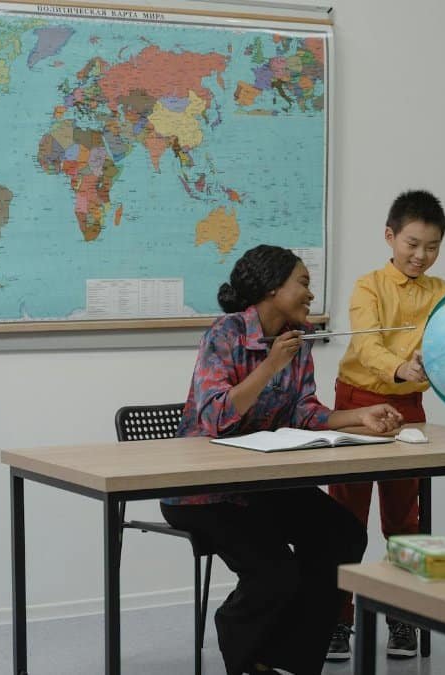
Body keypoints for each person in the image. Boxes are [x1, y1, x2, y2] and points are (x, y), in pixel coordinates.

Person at [162, 244, 404, 675]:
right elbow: (213, 417)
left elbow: (304, 412)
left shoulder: (299, 339)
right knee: (275, 572)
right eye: (304, 284)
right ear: (273, 288)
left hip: (261, 485)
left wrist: (359, 417)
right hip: (203, 493)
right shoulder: (226, 334)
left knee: (343, 535)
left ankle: (290, 661)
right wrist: (270, 366)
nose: (311, 295)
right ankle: (244, 649)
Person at [326, 190, 445, 661]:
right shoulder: (367, 287)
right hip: (356, 403)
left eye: (433, 246)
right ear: (390, 236)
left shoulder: (443, 294)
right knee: (345, 518)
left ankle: (403, 619)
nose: (421, 255)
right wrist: (400, 368)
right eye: (413, 243)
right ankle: (338, 620)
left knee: (404, 518)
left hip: (410, 409)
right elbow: (364, 347)